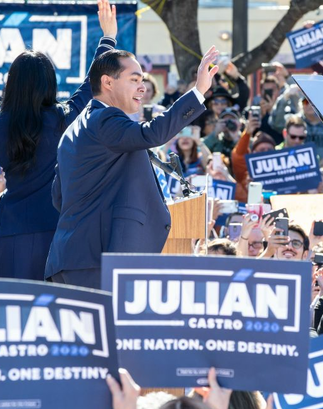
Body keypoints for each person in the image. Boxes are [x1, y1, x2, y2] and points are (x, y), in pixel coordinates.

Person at [44, 42, 221, 288]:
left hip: (69, 258)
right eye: (134, 79)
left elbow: (58, 198)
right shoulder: (106, 118)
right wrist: (198, 91)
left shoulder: (75, 128)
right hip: (98, 261)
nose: (142, 87)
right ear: (107, 82)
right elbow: (152, 134)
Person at [0, 0, 119, 281]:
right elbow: (91, 84)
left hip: (10, 233)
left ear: (10, 82)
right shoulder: (63, 117)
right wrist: (107, 38)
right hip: (57, 231)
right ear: (50, 83)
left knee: (8, 317)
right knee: (52, 316)